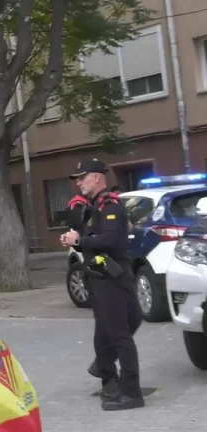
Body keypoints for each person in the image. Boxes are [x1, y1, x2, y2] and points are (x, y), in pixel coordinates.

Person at [61, 158, 144, 411]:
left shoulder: (110, 204)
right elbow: (94, 236)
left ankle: (130, 392)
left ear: (97, 177)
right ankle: (107, 372)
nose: (79, 182)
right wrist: (76, 239)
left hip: (112, 276)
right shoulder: (95, 205)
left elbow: (111, 239)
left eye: (82, 177)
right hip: (101, 277)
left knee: (121, 332)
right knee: (112, 329)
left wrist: (79, 241)